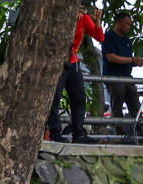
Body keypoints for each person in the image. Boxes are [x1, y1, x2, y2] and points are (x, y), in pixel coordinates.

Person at [47, 2, 103, 144]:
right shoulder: (57, 13)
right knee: (54, 97)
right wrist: (69, 18)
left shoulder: (84, 17)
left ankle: (78, 132)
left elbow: (99, 37)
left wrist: (97, 22)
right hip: (56, 61)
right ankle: (54, 132)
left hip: (73, 60)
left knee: (79, 97)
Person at [102, 11, 143, 143]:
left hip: (127, 75)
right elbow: (111, 57)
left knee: (135, 102)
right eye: (127, 24)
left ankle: (140, 132)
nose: (128, 27)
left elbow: (126, 60)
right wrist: (131, 60)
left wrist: (135, 62)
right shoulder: (108, 36)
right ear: (118, 22)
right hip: (113, 75)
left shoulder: (126, 40)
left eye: (130, 25)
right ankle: (119, 132)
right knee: (117, 100)